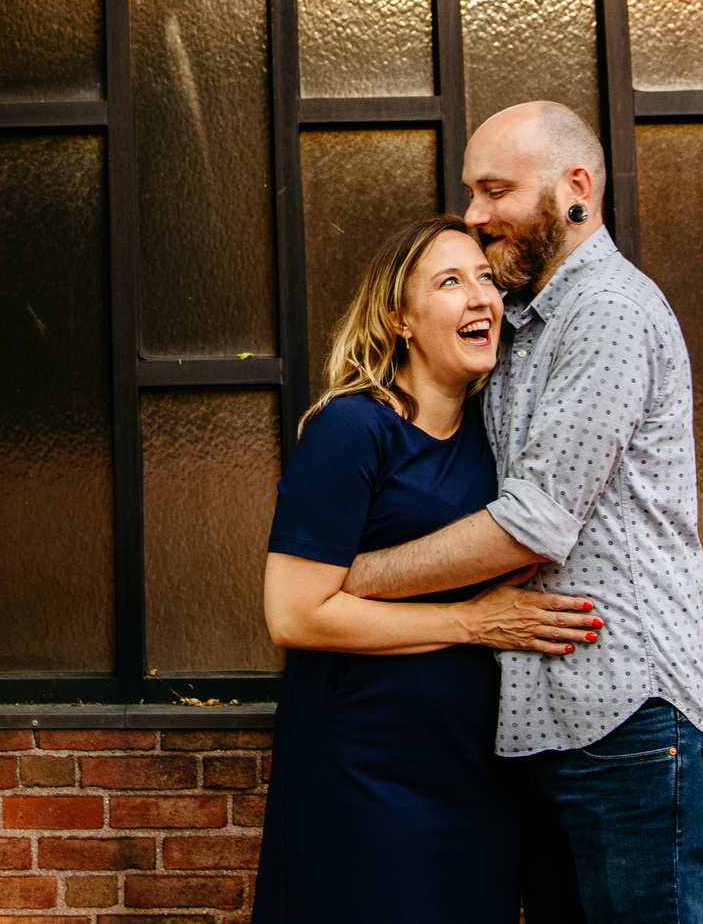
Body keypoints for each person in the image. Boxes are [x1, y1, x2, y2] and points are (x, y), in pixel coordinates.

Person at [344, 102, 703, 924]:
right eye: (471, 192)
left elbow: (538, 520)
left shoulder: (607, 311)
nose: (475, 214)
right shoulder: (522, 324)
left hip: (634, 726)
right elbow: (632, 519)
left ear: (576, 188)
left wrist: (354, 579)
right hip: (554, 733)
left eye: (495, 190)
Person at [251, 215, 603, 924]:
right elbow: (293, 613)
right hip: (364, 779)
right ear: (399, 320)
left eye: (485, 278)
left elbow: (599, 548)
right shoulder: (353, 428)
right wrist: (469, 622)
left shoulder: (500, 436)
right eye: (450, 282)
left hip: (479, 781)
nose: (482, 297)